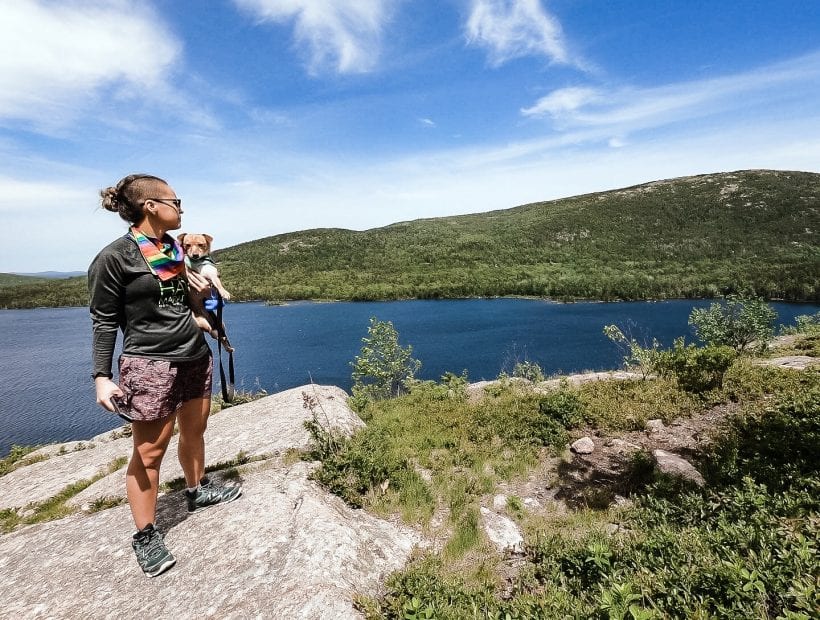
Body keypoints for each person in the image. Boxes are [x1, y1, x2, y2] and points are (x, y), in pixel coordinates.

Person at [88, 173, 242, 577]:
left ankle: (196, 489)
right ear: (151, 206)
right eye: (176, 201)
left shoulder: (175, 249)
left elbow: (187, 303)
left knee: (195, 431)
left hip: (194, 355)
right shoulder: (115, 257)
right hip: (150, 363)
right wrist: (101, 376)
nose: (182, 208)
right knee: (149, 453)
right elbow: (104, 320)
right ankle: (146, 534)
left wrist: (211, 322)